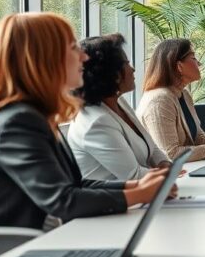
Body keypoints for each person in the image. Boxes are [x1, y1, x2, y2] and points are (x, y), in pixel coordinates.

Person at [0, 13, 171, 230]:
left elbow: (74, 184)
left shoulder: (34, 116)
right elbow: (64, 202)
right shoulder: (17, 123)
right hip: (18, 250)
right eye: (73, 48)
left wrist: (136, 186)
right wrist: (139, 194)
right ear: (44, 58)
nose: (83, 57)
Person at [68, 34, 170, 180]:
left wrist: (164, 163)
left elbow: (152, 148)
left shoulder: (120, 102)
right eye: (127, 63)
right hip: (114, 201)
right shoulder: (96, 122)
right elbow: (133, 176)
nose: (132, 69)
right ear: (110, 72)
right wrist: (168, 174)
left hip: (145, 194)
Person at [137, 38, 205, 162]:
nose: (199, 63)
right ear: (179, 66)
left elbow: (198, 137)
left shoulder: (183, 94)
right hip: (167, 176)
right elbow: (170, 154)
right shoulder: (159, 101)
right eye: (194, 58)